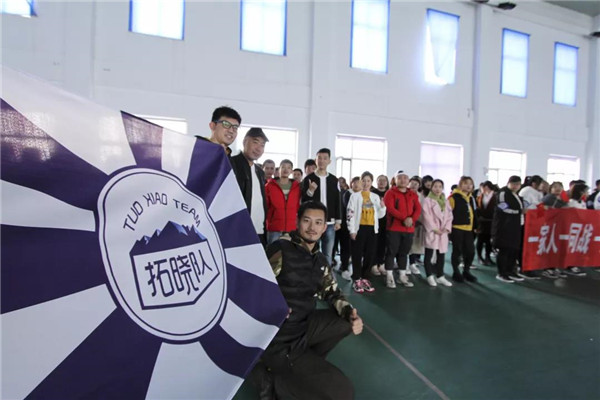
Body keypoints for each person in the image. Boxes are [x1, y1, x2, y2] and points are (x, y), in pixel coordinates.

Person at [254, 201, 363, 400]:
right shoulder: (280, 249)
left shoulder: (319, 260)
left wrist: (350, 313)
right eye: (307, 221)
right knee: (343, 392)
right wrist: (273, 305)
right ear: (297, 222)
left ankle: (301, 364)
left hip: (302, 327)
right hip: (279, 338)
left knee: (344, 322)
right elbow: (255, 287)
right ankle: (274, 379)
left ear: (324, 227)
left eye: (318, 222)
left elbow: (332, 292)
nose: (312, 227)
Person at [347, 172, 386, 293]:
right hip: (359, 228)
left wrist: (383, 207)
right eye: (363, 180)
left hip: (372, 229)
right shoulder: (354, 196)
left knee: (370, 254)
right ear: (360, 182)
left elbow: (379, 215)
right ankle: (356, 278)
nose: (365, 183)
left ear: (371, 182)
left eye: (368, 181)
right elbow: (350, 213)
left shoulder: (375, 196)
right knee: (357, 254)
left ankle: (365, 278)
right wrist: (352, 230)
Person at [301, 149, 342, 265]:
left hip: (329, 223)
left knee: (328, 253)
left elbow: (337, 201)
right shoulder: (308, 179)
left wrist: (338, 220)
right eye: (319, 158)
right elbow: (304, 201)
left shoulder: (334, 180)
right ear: (316, 160)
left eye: (325, 158)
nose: (322, 161)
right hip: (314, 222)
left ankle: (326, 274)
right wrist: (310, 191)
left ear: (329, 161)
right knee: (311, 251)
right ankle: (310, 273)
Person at [383, 170, 422, 288]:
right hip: (394, 228)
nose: (403, 180)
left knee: (404, 253)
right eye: (400, 178)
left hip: (409, 229)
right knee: (391, 252)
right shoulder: (390, 193)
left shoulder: (413, 194)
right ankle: (389, 277)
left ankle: (402, 276)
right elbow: (390, 208)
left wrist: (412, 219)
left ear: (408, 180)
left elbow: (418, 209)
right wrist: (404, 218)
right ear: (395, 180)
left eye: (405, 178)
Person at [230, 128, 269, 245]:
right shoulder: (232, 164)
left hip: (259, 231)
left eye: (262, 145)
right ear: (244, 142)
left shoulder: (259, 172)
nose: (258, 148)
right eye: (255, 142)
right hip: (238, 231)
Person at [491, 176, 526, 283]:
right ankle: (502, 273)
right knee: (504, 250)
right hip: (504, 227)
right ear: (508, 183)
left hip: (516, 226)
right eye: (513, 184)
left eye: (518, 184)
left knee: (513, 250)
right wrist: (519, 212)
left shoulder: (516, 194)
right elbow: (502, 208)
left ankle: (510, 271)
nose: (516, 186)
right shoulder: (503, 193)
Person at [421, 179, 453, 287]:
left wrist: (447, 228)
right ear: (431, 188)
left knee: (441, 255)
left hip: (443, 232)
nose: (437, 189)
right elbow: (426, 216)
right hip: (432, 232)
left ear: (442, 188)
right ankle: (429, 275)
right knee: (429, 255)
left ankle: (440, 276)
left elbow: (450, 216)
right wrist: (434, 229)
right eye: (435, 186)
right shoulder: (427, 200)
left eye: (440, 186)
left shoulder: (445, 201)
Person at [448, 176, 478, 283]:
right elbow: (447, 214)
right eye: (466, 183)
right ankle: (456, 272)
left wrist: (476, 226)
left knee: (470, 251)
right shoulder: (453, 198)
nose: (469, 186)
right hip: (457, 228)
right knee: (457, 251)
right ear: (460, 185)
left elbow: (474, 213)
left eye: (470, 184)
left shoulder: (472, 198)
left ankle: (466, 271)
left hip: (469, 229)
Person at [265, 159, 301, 245]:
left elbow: (298, 205)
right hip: (275, 226)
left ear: (291, 171)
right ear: (279, 169)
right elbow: (266, 206)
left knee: (291, 252)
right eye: (283, 167)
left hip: (291, 227)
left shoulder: (297, 187)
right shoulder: (269, 186)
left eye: (288, 168)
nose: (286, 170)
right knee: (273, 251)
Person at [338, 177, 360, 281]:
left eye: (359, 183)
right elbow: (349, 208)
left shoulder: (363, 194)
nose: (357, 185)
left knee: (356, 248)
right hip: (346, 225)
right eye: (354, 183)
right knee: (346, 247)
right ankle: (344, 267)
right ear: (351, 184)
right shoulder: (347, 194)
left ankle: (356, 270)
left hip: (359, 225)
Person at [370, 174, 389, 276]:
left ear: (387, 182)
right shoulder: (372, 192)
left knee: (383, 243)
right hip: (374, 221)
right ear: (376, 182)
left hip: (386, 222)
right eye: (379, 180)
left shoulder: (389, 193)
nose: (381, 182)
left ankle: (381, 263)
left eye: (384, 180)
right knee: (374, 243)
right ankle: (373, 264)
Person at [476, 181, 497, 266]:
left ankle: (487, 257)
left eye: (486, 187)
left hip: (491, 221)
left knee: (489, 241)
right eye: (483, 188)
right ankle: (479, 257)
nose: (484, 189)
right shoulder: (480, 196)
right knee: (480, 240)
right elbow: (477, 208)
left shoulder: (495, 196)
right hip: (481, 222)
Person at [408, 176, 424, 276]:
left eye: (416, 184)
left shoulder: (420, 196)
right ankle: (403, 264)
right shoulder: (404, 193)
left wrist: (418, 221)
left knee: (414, 245)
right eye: (412, 183)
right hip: (404, 223)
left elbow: (422, 211)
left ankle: (412, 263)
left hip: (417, 224)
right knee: (404, 245)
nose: (414, 185)